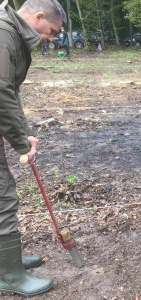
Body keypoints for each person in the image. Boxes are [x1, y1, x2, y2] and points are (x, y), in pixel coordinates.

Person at [0, 0, 66, 296]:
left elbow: (10, 91)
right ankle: (9, 275)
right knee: (3, 196)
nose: (51, 38)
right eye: (51, 31)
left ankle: (7, 261)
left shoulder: (10, 33)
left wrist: (25, 132)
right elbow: (0, 92)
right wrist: (19, 142)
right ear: (38, 17)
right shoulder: (4, 34)